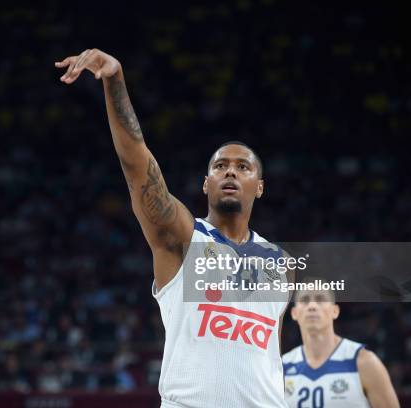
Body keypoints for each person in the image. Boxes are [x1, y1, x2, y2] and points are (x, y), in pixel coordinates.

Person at [56, 49, 291, 407]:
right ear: (205, 184)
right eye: (221, 166)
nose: (230, 171)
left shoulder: (281, 264)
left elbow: (269, 358)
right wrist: (115, 81)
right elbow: (136, 163)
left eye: (243, 167)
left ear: (260, 186)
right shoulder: (183, 238)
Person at [283, 286, 399, 408]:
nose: (312, 306)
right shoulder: (282, 367)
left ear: (335, 311)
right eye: (305, 300)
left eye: (320, 300)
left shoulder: (364, 362)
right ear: (294, 313)